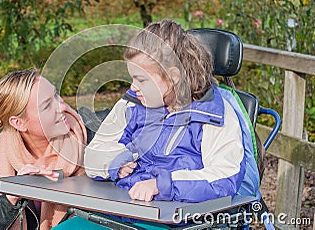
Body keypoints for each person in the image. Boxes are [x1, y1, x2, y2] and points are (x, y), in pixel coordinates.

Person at [84, 19, 259, 205]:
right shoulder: (132, 104)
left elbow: (225, 176)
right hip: (124, 206)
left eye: (141, 80)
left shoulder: (214, 114)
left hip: (177, 217)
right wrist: (114, 163)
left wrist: (162, 185)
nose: (133, 87)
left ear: (174, 77)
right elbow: (93, 154)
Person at [0, 69, 86, 230]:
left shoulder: (91, 137)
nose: (62, 106)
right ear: (19, 123)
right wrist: (11, 196)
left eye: (55, 95)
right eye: (47, 105)